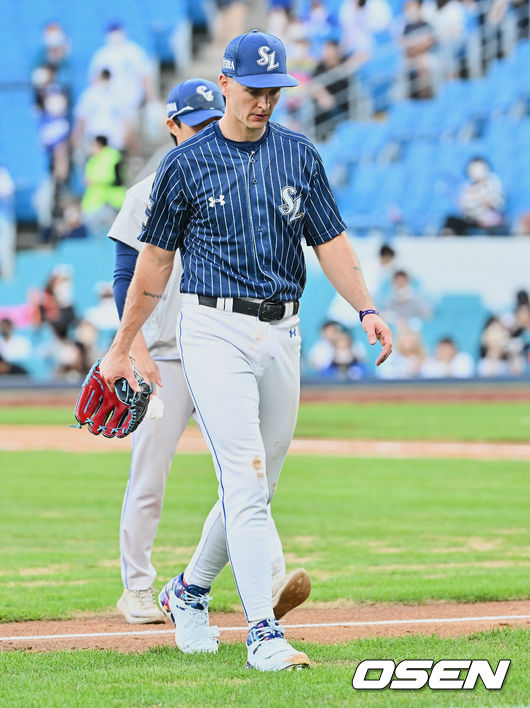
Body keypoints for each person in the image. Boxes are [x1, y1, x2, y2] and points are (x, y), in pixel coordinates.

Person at [100, 30, 392, 671]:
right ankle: (263, 632)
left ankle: (189, 590)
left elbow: (331, 243)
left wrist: (366, 307)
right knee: (246, 477)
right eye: (254, 90)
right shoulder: (184, 164)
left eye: (274, 91)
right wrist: (125, 343)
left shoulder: (299, 155)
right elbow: (151, 264)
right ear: (226, 83)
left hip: (283, 328)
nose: (264, 102)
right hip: (213, 329)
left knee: (262, 481)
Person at [110, 78, 311, 626]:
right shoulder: (147, 192)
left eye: (209, 121)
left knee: (248, 469)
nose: (203, 132)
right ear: (172, 126)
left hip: (223, 343)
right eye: (193, 124)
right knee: (150, 473)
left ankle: (270, 574)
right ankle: (138, 588)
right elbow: (125, 277)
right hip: (164, 355)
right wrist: (132, 349)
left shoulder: (239, 178)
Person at [442, 157, 508, 236]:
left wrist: (477, 194)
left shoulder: (493, 182)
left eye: (479, 169)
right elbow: (464, 208)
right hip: (472, 219)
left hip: (489, 220)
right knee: (451, 221)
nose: (476, 172)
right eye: (473, 169)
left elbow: (498, 204)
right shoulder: (467, 185)